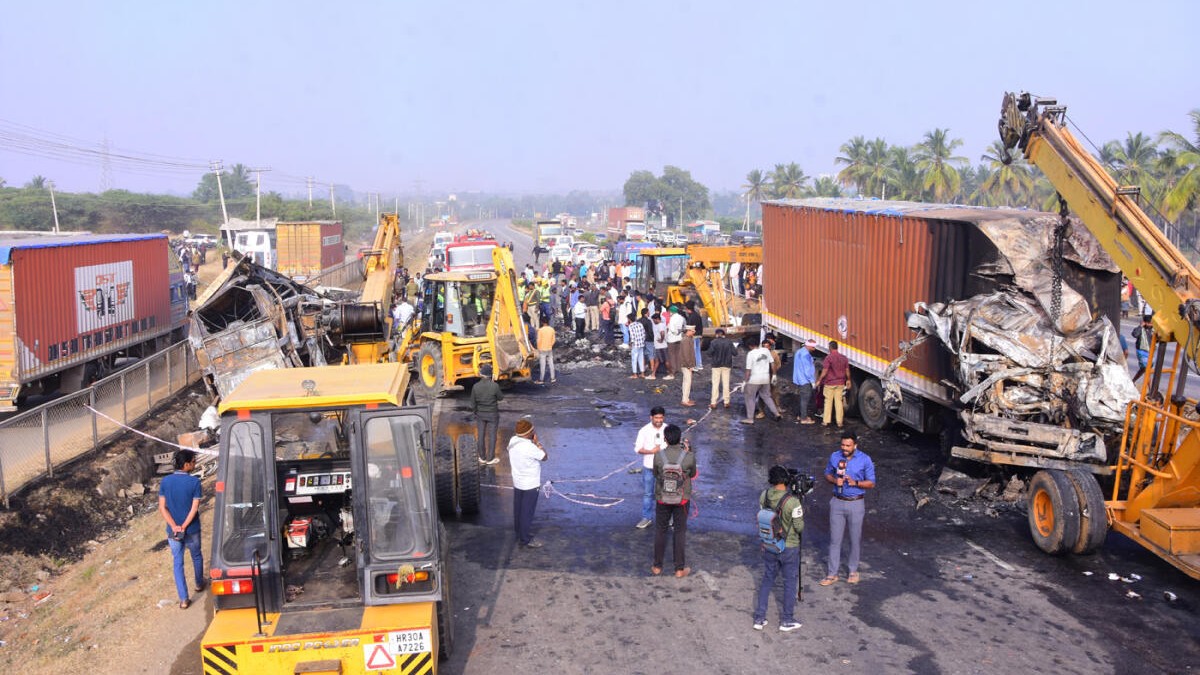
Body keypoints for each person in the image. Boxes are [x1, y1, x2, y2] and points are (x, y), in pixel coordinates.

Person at [753, 465, 805, 632]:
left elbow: (764, 518)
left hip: (770, 544)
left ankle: (759, 618)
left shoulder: (764, 495)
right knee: (789, 583)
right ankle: (787, 620)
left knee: (767, 579)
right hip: (789, 547)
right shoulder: (793, 501)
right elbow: (799, 527)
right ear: (786, 480)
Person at [821, 431, 875, 586]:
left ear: (855, 445)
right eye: (843, 445)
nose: (845, 448)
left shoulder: (865, 460)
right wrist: (834, 480)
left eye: (848, 445)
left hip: (856, 503)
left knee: (854, 539)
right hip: (837, 502)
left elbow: (871, 483)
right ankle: (832, 574)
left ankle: (853, 571)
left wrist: (856, 483)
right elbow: (827, 474)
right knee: (834, 540)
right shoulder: (835, 456)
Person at [158, 449, 204, 610]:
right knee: (196, 555)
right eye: (193, 461)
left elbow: (162, 508)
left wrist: (174, 526)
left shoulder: (165, 482)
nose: (195, 463)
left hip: (173, 532)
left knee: (178, 562)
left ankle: (183, 599)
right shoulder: (195, 482)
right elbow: (194, 508)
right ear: (186, 465)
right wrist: (184, 526)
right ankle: (199, 584)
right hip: (191, 529)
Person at [652, 424, 697, 578]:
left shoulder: (659, 456)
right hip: (682, 499)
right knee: (679, 531)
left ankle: (657, 566)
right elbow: (693, 473)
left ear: (665, 439)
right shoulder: (688, 456)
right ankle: (679, 568)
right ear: (680, 439)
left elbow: (656, 474)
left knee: (660, 530)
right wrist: (688, 451)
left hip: (662, 498)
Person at [509, 419, 548, 548]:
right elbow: (544, 457)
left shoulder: (512, 441)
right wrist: (537, 443)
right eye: (532, 430)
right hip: (530, 483)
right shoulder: (530, 447)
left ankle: (518, 532)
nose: (534, 432)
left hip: (517, 481)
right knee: (527, 512)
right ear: (528, 433)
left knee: (518, 509)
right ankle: (525, 539)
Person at [633, 406, 667, 529]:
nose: (659, 420)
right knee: (648, 494)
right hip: (649, 467)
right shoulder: (644, 430)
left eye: (661, 417)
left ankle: (667, 518)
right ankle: (646, 518)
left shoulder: (667, 429)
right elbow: (638, 449)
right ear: (651, 417)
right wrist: (651, 451)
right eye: (656, 417)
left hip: (665, 467)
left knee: (666, 493)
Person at [742, 338, 782, 424]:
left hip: (754, 379)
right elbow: (772, 363)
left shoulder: (750, 354)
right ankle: (777, 413)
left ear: (750, 346)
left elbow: (748, 370)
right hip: (766, 378)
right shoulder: (766, 351)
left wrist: (745, 381)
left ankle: (750, 419)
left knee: (750, 398)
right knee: (767, 397)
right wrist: (774, 375)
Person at [471, 364, 504, 465]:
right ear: (491, 375)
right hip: (493, 414)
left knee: (481, 435)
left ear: (481, 374)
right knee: (492, 435)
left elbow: (473, 403)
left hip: (480, 414)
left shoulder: (475, 386)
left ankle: (482, 457)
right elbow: (500, 398)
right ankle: (490, 459)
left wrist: (476, 411)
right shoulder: (494, 386)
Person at [819, 341, 851, 428]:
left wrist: (819, 380)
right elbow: (847, 370)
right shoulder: (844, 358)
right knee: (838, 402)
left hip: (830, 383)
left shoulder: (828, 358)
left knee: (828, 402)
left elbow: (825, 371)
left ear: (830, 348)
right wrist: (848, 380)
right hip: (840, 383)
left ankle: (826, 421)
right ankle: (839, 422)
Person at [792, 338, 819, 424]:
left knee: (802, 398)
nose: (814, 349)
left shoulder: (799, 352)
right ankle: (804, 419)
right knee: (805, 399)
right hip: (805, 380)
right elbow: (807, 370)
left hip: (799, 379)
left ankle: (800, 415)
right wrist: (812, 381)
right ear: (808, 346)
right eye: (813, 347)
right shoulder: (806, 355)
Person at [708, 328, 735, 409]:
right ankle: (726, 402)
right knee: (726, 384)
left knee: (715, 384)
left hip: (716, 365)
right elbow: (735, 353)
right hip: (727, 365)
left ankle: (713, 402)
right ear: (724, 334)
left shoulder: (713, 342)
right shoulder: (729, 342)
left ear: (716, 334)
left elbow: (709, 353)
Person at [679, 324, 698, 406]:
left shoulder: (687, 339)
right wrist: (689, 365)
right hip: (686, 365)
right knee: (687, 382)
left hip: (685, 364)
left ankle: (686, 399)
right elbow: (686, 354)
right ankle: (685, 400)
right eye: (693, 331)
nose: (694, 333)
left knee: (686, 382)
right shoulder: (686, 340)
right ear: (689, 331)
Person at [665, 305, 686, 379]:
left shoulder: (672, 318)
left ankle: (673, 370)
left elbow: (671, 328)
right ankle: (678, 368)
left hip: (672, 338)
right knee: (678, 354)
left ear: (671, 311)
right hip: (679, 338)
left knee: (672, 355)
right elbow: (683, 327)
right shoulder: (681, 317)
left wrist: (675, 332)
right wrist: (678, 333)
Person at [685, 300, 704, 370]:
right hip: (698, 335)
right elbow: (701, 326)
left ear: (687, 309)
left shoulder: (691, 317)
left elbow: (689, 328)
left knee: (693, 351)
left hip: (693, 335)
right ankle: (699, 364)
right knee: (698, 350)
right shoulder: (697, 315)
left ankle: (695, 365)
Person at [1132, 314, 1153, 381]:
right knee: (1146, 368)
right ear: (1145, 323)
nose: (1151, 325)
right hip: (1141, 351)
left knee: (1147, 369)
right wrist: (1140, 326)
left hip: (1149, 352)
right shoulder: (1140, 329)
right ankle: (1149, 386)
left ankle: (1134, 380)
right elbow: (1134, 334)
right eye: (1150, 323)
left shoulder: (1151, 330)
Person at [536, 320, 556, 384]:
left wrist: (538, 348)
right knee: (551, 363)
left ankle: (541, 380)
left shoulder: (540, 330)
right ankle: (553, 378)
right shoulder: (552, 329)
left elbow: (539, 340)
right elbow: (554, 340)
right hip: (549, 349)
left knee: (543, 365)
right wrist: (550, 345)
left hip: (542, 349)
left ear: (542, 323)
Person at [627, 312, 646, 378]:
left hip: (635, 344)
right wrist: (643, 341)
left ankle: (635, 374)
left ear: (629, 319)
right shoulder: (640, 324)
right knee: (641, 358)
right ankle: (642, 373)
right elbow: (644, 333)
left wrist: (630, 344)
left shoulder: (630, 326)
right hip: (641, 344)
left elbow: (632, 336)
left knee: (634, 359)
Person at [651, 314, 668, 380]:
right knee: (658, 360)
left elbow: (662, 333)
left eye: (654, 320)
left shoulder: (660, 325)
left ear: (657, 319)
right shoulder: (662, 324)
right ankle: (653, 374)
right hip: (660, 346)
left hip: (660, 346)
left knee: (665, 360)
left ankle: (670, 373)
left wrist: (661, 340)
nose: (653, 321)